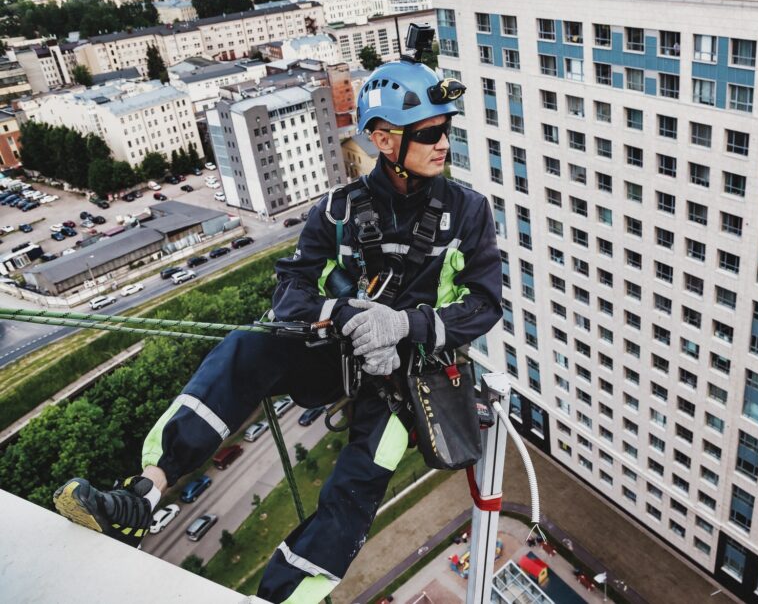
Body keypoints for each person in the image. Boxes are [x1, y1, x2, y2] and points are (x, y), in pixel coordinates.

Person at [52, 59, 502, 604]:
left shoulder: (468, 212)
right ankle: (143, 497)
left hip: (409, 379)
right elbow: (290, 289)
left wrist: (404, 324)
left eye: (445, 130)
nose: (443, 143)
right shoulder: (338, 211)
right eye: (429, 133)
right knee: (247, 349)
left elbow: (483, 305)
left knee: (358, 484)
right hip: (341, 355)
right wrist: (343, 314)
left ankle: (284, 598)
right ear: (384, 140)